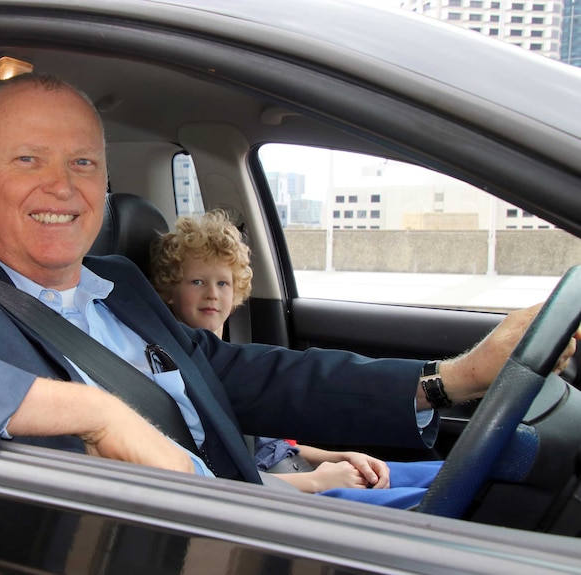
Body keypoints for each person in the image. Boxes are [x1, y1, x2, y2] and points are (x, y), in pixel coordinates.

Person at [0, 73, 578, 487]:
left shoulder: (121, 285)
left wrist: (454, 376)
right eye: (27, 160)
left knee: (515, 474)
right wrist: (96, 413)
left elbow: (242, 376)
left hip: (252, 517)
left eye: (83, 163)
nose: (61, 187)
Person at [150, 211, 442, 507]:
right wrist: (317, 482)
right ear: (170, 290)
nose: (212, 294)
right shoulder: (172, 373)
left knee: (453, 475)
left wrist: (339, 457)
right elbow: (213, 477)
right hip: (281, 495)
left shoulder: (238, 361)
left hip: (299, 472)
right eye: (197, 282)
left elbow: (274, 448)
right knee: (440, 504)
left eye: (223, 283)